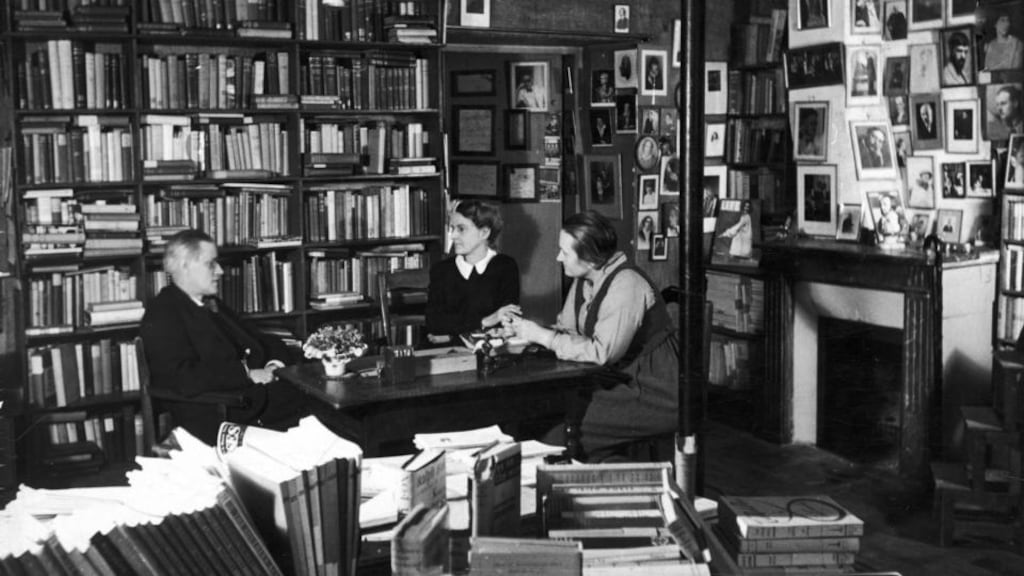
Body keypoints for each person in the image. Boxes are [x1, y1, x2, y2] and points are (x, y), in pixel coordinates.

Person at [508, 211, 678, 462]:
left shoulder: (626, 284)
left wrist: (544, 337)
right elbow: (567, 330)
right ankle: (606, 476)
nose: (558, 257)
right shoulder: (585, 279)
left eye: (565, 252)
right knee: (542, 412)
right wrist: (528, 333)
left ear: (589, 258)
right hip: (613, 380)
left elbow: (601, 353)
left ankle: (601, 482)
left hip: (651, 390)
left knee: (559, 429)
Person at [140, 230, 307, 445]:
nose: (220, 271)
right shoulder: (163, 313)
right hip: (220, 413)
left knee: (325, 402)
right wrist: (247, 374)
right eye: (211, 264)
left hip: (251, 399)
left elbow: (259, 340)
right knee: (324, 410)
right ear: (184, 266)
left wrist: (273, 365)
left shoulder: (211, 304)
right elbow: (181, 377)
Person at [426, 201, 520, 341]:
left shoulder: (505, 266)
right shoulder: (441, 270)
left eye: (461, 229)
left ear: (484, 233)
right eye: (453, 229)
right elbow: (435, 324)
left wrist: (452, 334)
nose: (453, 236)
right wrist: (486, 321)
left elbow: (506, 323)